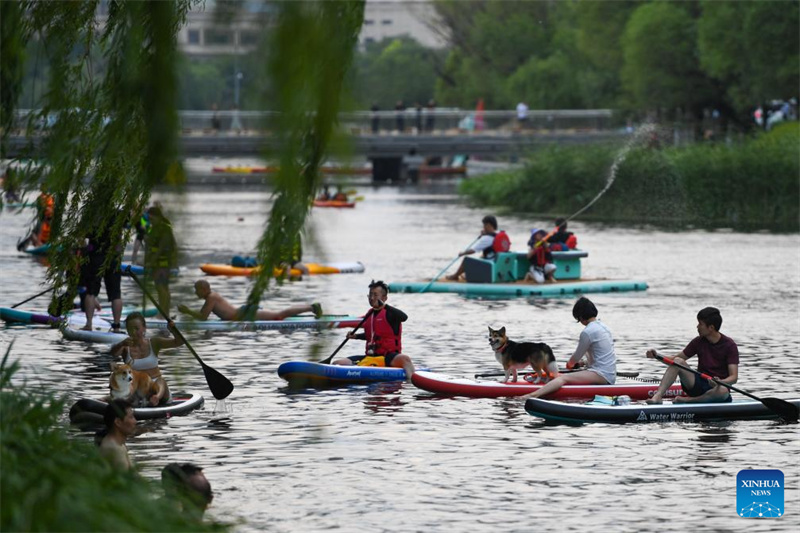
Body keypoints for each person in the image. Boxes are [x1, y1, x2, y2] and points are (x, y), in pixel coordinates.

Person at [526, 297, 617, 398]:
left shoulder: (588, 332)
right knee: (568, 376)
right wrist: (583, 363)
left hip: (601, 375)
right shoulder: (604, 327)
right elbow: (601, 355)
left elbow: (575, 358)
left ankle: (530, 395)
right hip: (609, 375)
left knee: (562, 378)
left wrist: (570, 364)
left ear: (581, 317)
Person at [645, 307, 738, 404]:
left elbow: (733, 377)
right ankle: (658, 396)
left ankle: (688, 400)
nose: (697, 327)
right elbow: (673, 360)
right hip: (697, 384)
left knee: (723, 390)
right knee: (678, 361)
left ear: (711, 328)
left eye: (700, 324)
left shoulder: (729, 345)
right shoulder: (698, 341)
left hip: (717, 388)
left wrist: (720, 381)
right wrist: (656, 356)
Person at [333, 280, 415, 381]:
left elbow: (404, 317)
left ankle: (412, 382)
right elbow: (371, 335)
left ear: (384, 298)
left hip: (388, 357)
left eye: (375, 295)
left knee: (405, 359)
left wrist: (385, 306)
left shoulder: (390, 313)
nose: (372, 298)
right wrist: (356, 336)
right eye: (370, 295)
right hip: (370, 357)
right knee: (338, 363)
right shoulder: (369, 314)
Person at [110, 312, 184, 405]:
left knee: (161, 381)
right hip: (137, 391)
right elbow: (113, 353)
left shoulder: (154, 342)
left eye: (137, 329)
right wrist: (121, 344)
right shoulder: (125, 347)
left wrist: (173, 330)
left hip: (157, 389)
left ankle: (156, 398)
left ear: (144, 328)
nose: (133, 332)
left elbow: (179, 342)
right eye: (130, 329)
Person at [179, 279, 323, 321]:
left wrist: (187, 311)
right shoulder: (211, 297)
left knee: (279, 315)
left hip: (246, 314)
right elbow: (203, 315)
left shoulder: (211, 297)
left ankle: (312, 307)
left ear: (204, 289)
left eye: (196, 289)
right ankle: (305, 311)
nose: (195, 292)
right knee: (279, 315)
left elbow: (203, 317)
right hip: (243, 314)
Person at [80, 212, 125, 332]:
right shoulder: (118, 214)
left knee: (91, 292)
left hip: (96, 256)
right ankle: (116, 326)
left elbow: (81, 236)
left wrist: (84, 253)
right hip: (114, 257)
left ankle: (89, 324)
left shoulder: (92, 214)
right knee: (116, 293)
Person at [445, 215, 511, 281]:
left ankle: (455, 276)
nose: (483, 227)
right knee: (482, 256)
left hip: (489, 266)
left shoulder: (486, 238)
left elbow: (473, 251)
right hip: (496, 264)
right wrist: (485, 234)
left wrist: (462, 253)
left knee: (466, 260)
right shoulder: (498, 235)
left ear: (488, 225)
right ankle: (466, 274)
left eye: (484, 225)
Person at [144, 205, 178, 318]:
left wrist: (151, 262)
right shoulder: (153, 227)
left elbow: (161, 248)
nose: (151, 221)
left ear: (158, 217)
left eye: (152, 219)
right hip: (156, 263)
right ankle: (164, 313)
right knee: (161, 289)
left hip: (163, 263)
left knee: (162, 288)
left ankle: (163, 313)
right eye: (149, 219)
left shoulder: (165, 228)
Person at [96, 399, 136, 471]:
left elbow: (135, 475)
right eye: (131, 417)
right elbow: (124, 481)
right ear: (118, 422)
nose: (135, 421)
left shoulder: (120, 445)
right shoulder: (113, 448)